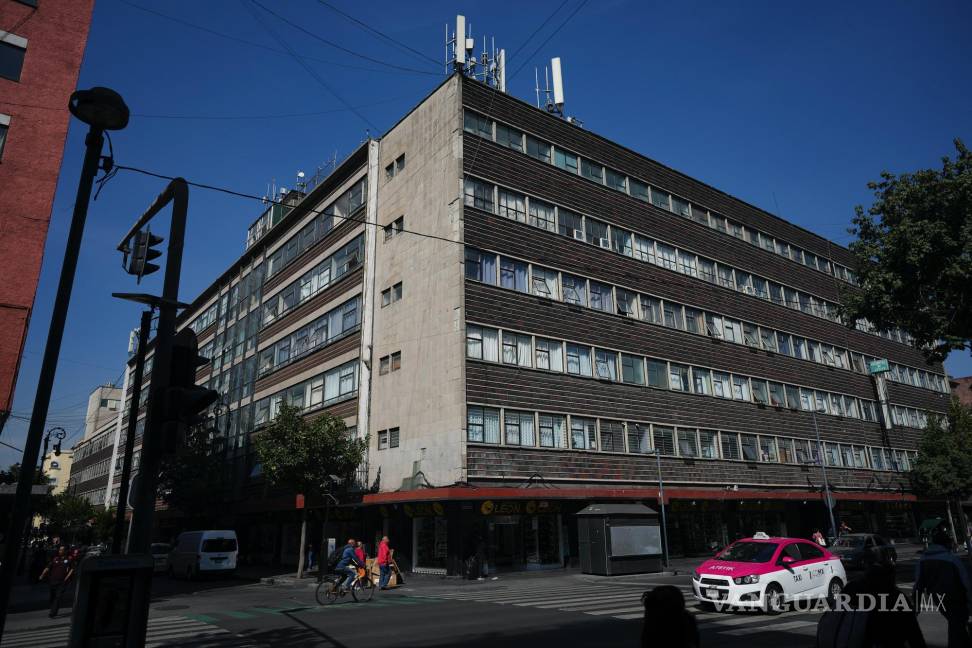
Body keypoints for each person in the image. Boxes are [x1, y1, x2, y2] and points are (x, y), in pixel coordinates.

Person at [915, 527, 972, 648]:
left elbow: (918, 584)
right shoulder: (951, 559)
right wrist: (970, 599)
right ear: (946, 544)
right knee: (957, 626)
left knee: (956, 624)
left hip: (938, 599)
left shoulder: (923, 560)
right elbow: (966, 580)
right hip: (957, 598)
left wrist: (916, 605)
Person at [39, 546, 75, 618]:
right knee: (52, 597)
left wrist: (67, 577)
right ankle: (53, 608)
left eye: (62, 550)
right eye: (60, 550)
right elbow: (48, 567)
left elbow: (72, 569)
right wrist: (42, 575)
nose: (60, 551)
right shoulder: (55, 559)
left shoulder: (69, 559)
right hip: (53, 581)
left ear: (65, 551)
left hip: (62, 582)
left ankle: (53, 612)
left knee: (58, 597)